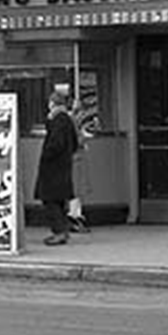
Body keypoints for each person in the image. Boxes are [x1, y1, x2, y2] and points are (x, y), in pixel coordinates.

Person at [35, 88, 79, 246]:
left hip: (53, 167)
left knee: (49, 200)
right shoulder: (67, 119)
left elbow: (56, 144)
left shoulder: (58, 120)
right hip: (63, 166)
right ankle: (63, 230)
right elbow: (74, 143)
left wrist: (46, 155)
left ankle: (59, 231)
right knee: (58, 200)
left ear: (52, 103)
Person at [67, 97, 98, 234]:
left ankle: (75, 215)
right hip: (76, 158)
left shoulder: (72, 120)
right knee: (76, 189)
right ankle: (74, 216)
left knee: (76, 189)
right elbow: (76, 140)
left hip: (75, 158)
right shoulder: (72, 121)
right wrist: (84, 138)